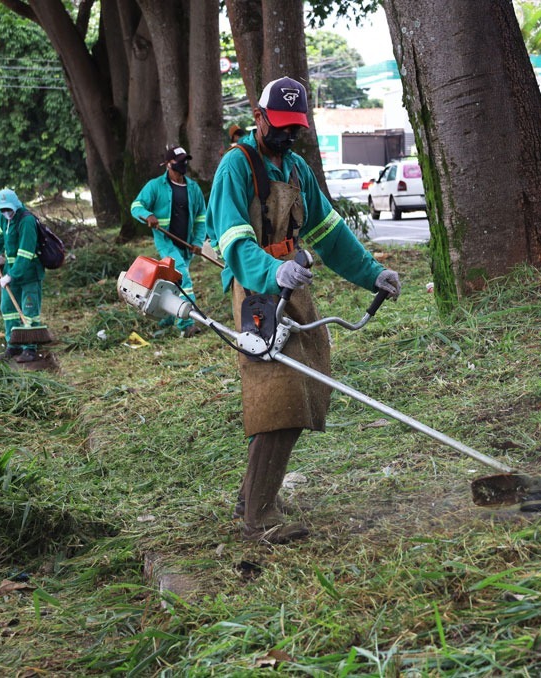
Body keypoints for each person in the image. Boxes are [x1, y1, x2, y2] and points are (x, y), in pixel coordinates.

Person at [207, 76, 401, 544]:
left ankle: (253, 494)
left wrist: (371, 272)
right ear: (259, 119)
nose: (288, 136)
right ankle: (259, 517)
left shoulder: (297, 170)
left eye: (296, 128)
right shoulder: (236, 167)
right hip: (256, 292)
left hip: (295, 290)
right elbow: (233, 240)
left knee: (304, 386)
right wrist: (271, 273)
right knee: (278, 397)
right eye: (281, 126)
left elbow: (330, 233)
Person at [130, 146, 210, 338]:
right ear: (168, 165)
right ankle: (187, 324)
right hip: (166, 241)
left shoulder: (193, 188)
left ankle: (167, 318)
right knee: (183, 279)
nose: (183, 165)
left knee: (171, 282)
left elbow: (201, 217)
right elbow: (136, 205)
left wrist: (198, 241)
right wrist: (147, 215)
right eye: (178, 162)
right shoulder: (155, 186)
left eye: (185, 161)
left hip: (187, 244)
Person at [0, 189, 45, 363]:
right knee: (8, 309)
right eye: (3, 209)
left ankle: (30, 348)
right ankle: (13, 344)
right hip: (10, 272)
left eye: (8, 209)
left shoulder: (26, 221)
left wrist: (12, 275)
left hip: (28, 273)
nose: (6, 213)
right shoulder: (1, 216)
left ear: (16, 205)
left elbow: (26, 253)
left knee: (28, 311)